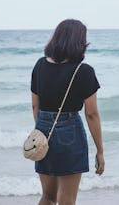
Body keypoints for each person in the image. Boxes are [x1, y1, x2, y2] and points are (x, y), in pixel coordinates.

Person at [30, 19, 104, 205]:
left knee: (47, 196)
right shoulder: (84, 71)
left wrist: (42, 129)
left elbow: (35, 106)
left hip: (42, 131)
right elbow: (91, 114)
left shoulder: (40, 65)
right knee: (67, 200)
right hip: (70, 132)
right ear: (79, 42)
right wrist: (100, 151)